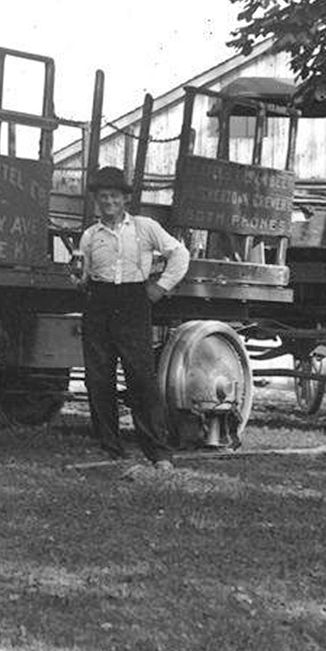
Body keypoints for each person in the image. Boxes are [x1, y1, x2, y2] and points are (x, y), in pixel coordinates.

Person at [73, 166, 190, 469]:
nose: (108, 202)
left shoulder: (144, 227)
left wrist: (160, 288)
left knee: (140, 377)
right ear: (97, 202)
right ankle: (110, 447)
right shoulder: (89, 236)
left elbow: (180, 255)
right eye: (102, 198)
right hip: (98, 303)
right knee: (99, 377)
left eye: (114, 196)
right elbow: (83, 278)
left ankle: (158, 451)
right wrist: (77, 279)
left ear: (125, 199)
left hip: (134, 302)